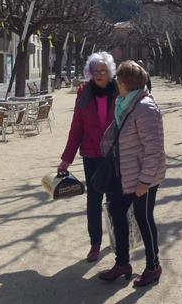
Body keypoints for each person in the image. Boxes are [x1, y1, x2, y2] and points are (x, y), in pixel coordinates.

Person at [98, 61, 166, 288]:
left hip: (143, 178)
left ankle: (153, 266)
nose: (116, 82)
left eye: (118, 78)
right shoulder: (125, 103)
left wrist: (145, 181)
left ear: (126, 82)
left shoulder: (145, 107)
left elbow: (154, 149)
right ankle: (122, 263)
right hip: (125, 173)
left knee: (144, 219)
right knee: (117, 211)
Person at [57, 52, 118, 263]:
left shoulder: (120, 91)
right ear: (90, 74)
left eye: (103, 71)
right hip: (91, 155)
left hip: (114, 155)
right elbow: (77, 128)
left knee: (114, 200)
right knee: (93, 200)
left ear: (110, 72)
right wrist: (67, 158)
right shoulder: (83, 94)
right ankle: (95, 243)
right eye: (96, 71)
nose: (100, 75)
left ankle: (116, 239)